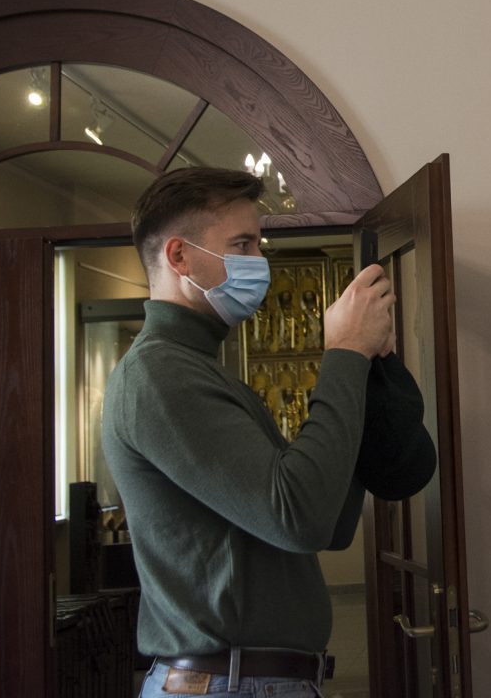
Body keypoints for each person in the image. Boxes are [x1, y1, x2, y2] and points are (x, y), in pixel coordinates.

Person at [103, 166, 396, 696]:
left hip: (246, 681)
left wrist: (362, 377)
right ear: (179, 257)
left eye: (258, 245)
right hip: (228, 683)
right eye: (242, 245)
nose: (259, 262)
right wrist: (345, 352)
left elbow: (328, 523)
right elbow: (297, 517)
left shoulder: (199, 368)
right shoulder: (160, 373)